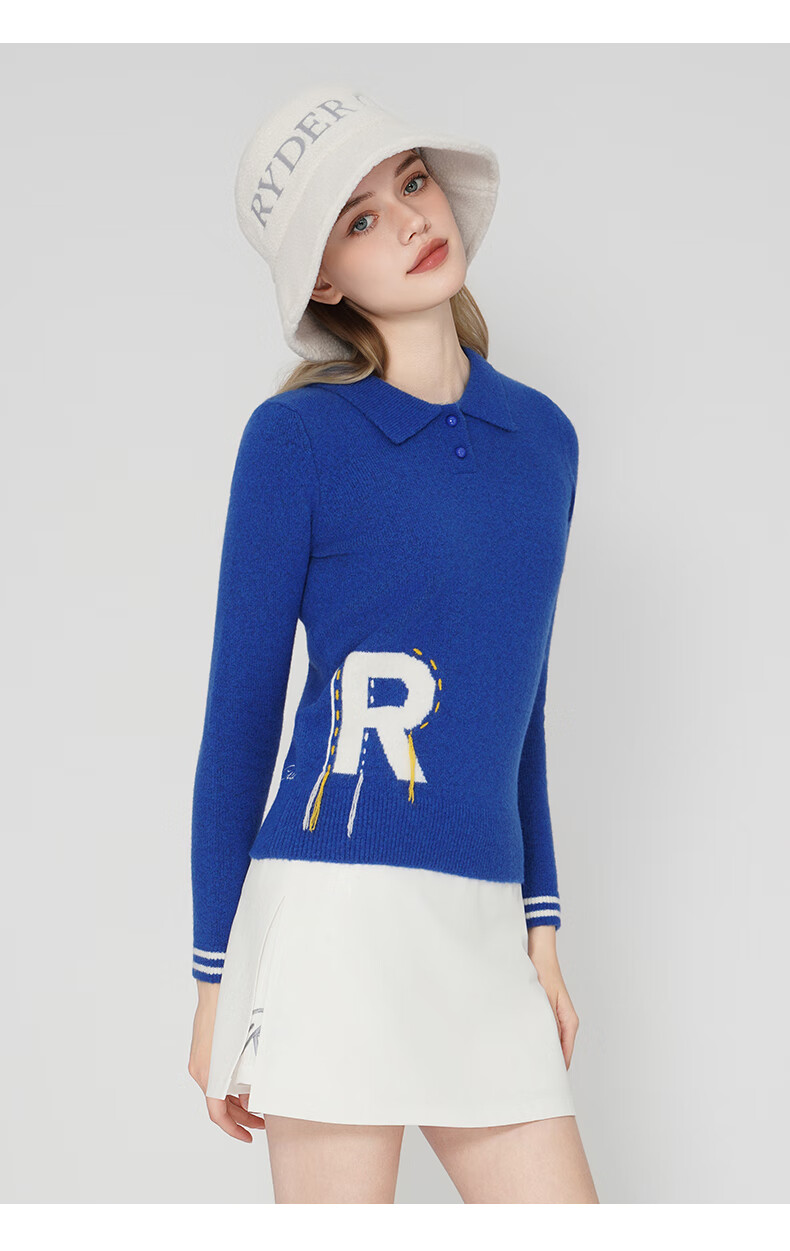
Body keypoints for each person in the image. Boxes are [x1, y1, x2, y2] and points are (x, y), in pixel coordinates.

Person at [187, 82, 599, 1204]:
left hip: (482, 924)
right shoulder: (296, 441)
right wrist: (216, 977)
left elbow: (518, 707)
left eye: (411, 182)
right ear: (325, 280)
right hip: (333, 920)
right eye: (361, 218)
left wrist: (541, 930)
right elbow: (240, 721)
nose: (411, 219)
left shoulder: (544, 442)